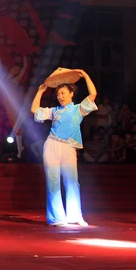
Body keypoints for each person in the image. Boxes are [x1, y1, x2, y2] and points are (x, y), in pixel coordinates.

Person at [31, 69, 97, 227]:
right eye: (58, 94)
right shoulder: (55, 111)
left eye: (63, 93)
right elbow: (35, 110)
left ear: (71, 93)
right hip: (52, 145)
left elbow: (93, 94)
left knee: (72, 181)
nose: (60, 96)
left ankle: (75, 216)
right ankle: (57, 218)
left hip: (69, 148)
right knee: (53, 181)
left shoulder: (78, 109)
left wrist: (86, 75)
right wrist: (40, 92)